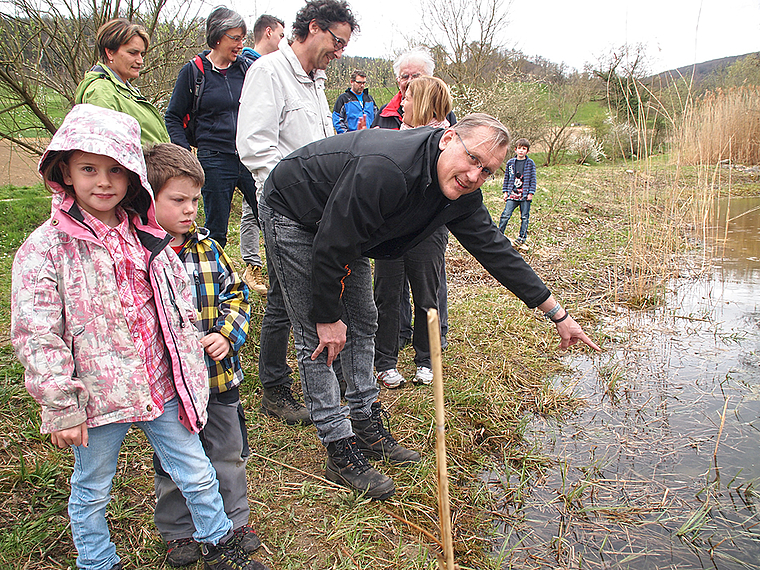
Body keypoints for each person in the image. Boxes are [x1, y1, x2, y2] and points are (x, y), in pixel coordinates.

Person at [258, 113, 600, 499]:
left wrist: (557, 313)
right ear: (447, 138)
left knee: (364, 320)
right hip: (295, 208)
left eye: (487, 171)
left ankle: (366, 423)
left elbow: (495, 249)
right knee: (319, 336)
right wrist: (326, 315)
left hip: (343, 225)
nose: (475, 176)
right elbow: (332, 242)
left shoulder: (460, 193)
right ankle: (339, 448)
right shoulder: (386, 169)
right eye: (473, 159)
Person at [10, 104, 268, 570]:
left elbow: (180, 313)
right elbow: (37, 333)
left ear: (132, 177)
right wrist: (62, 404)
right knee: (92, 487)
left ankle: (218, 541)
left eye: (115, 170)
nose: (103, 181)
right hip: (97, 396)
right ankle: (96, 560)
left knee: (196, 470)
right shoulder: (44, 248)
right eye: (89, 169)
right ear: (64, 170)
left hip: (159, 385)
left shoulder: (147, 236)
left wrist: (189, 372)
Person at [237, 0, 358, 426]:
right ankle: (275, 389)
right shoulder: (269, 72)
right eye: (336, 41)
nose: (339, 52)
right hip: (285, 208)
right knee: (286, 302)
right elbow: (255, 146)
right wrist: (300, 196)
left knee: (297, 296)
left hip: (321, 209)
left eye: (344, 45)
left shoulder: (317, 82)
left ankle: (332, 378)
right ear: (312, 27)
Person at [144, 143, 258, 567]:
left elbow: (237, 294)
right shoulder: (142, 257)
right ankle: (178, 530)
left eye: (195, 199)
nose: (191, 209)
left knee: (228, 451)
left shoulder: (210, 248)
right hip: (171, 389)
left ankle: (234, 520)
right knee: (176, 459)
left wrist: (227, 335)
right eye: (178, 200)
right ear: (148, 198)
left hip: (218, 379)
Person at [164, 8, 267, 299]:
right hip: (213, 158)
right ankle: (215, 289)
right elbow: (173, 116)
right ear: (217, 38)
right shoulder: (194, 72)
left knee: (269, 214)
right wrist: (184, 156)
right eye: (235, 38)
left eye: (243, 38)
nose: (240, 43)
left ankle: (275, 279)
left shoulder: (247, 68)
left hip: (248, 157)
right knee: (217, 229)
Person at [371, 47, 453, 350]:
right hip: (392, 218)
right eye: (403, 76)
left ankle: (433, 339)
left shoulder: (444, 121)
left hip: (428, 219)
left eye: (415, 76)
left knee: (428, 281)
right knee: (390, 286)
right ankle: (397, 337)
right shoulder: (387, 114)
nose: (407, 81)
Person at [237, 14, 285, 297]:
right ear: (267, 32)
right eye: (280, 35)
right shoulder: (251, 67)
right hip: (239, 155)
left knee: (256, 210)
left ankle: (266, 265)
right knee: (251, 211)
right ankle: (251, 266)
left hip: (265, 154)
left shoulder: (276, 69)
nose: (283, 41)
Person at [75, 18, 170, 146]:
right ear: (110, 53)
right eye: (133, 53)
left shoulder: (124, 89)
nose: (140, 60)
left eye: (142, 54)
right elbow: (108, 150)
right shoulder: (101, 92)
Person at [498, 138, 537, 249]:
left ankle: (522, 238)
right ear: (515, 149)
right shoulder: (510, 163)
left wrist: (531, 192)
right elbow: (506, 178)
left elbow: (533, 179)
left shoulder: (530, 163)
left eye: (524, 149)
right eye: (519, 148)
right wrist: (505, 191)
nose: (521, 151)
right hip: (512, 194)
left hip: (524, 195)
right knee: (506, 215)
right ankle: (500, 234)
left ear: (527, 151)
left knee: (524, 217)